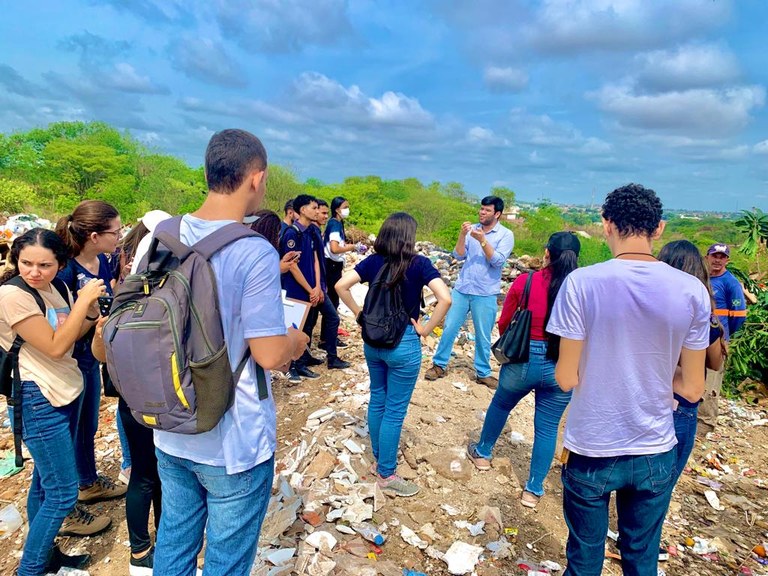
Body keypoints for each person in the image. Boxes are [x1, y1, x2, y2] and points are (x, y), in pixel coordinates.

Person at [150, 129, 308, 576]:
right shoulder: (253, 250)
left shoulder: (158, 237)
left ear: (207, 172)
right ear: (256, 178)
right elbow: (269, 354)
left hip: (169, 424)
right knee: (225, 560)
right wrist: (297, 342)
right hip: (231, 439)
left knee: (175, 543)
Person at [547, 184, 710, 576]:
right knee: (641, 558)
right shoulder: (692, 290)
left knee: (584, 560)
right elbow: (692, 388)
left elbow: (566, 378)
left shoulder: (582, 283)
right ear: (659, 228)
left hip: (592, 446)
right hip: (655, 449)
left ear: (606, 225)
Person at [0, 229, 106, 575]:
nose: (34, 271)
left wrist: (89, 311)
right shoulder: (12, 295)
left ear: (59, 264)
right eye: (26, 262)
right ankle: (30, 569)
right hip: (36, 397)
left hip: (65, 389)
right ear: (15, 260)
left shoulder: (57, 287)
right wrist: (82, 301)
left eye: (44, 264)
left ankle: (46, 555)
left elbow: (73, 334)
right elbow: (56, 346)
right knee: (62, 492)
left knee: (44, 483)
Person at [336, 212, 451, 497]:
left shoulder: (373, 262)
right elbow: (445, 298)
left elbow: (340, 286)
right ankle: (386, 473)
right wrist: (425, 330)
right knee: (395, 410)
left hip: (373, 340)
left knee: (378, 398)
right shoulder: (420, 264)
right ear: (409, 237)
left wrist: (359, 314)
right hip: (403, 343)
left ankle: (379, 454)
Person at [467, 231, 580, 509]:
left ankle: (482, 454)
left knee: (501, 404)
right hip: (562, 363)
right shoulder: (582, 289)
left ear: (547, 253)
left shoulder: (526, 281)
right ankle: (533, 489)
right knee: (547, 427)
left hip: (523, 358)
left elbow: (505, 322)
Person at [54, 200, 127, 536]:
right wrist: (90, 312)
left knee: (88, 424)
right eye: (116, 231)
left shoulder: (104, 261)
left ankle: (87, 481)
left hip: (91, 357)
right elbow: (61, 335)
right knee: (67, 432)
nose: (121, 236)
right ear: (95, 235)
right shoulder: (66, 271)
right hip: (69, 361)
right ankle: (66, 506)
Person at [425, 196, 514, 389]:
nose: (482, 213)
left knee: (482, 334)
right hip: (463, 288)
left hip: (486, 292)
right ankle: (439, 364)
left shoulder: (505, 235)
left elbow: (497, 262)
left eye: (487, 210)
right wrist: (462, 234)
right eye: (481, 209)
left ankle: (482, 372)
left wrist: (482, 241)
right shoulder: (472, 229)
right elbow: (458, 254)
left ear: (497, 214)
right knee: (449, 327)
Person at [658, 240, 725, 480]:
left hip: (642, 395)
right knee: (662, 484)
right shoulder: (703, 314)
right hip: (681, 405)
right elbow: (716, 363)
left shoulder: (646, 306)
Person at [280, 195, 348, 384]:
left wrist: (318, 286)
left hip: (315, 288)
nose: (318, 212)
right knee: (297, 327)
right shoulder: (292, 234)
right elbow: (292, 266)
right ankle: (293, 366)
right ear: (302, 210)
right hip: (298, 290)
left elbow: (317, 260)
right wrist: (310, 288)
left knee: (329, 318)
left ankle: (329, 358)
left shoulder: (311, 231)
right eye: (314, 208)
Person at [699, 243, 746, 433]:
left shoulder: (730, 282)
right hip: (698, 338)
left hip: (717, 340)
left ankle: (705, 423)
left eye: (722, 257)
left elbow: (739, 315)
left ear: (727, 260)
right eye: (714, 256)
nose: (717, 260)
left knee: (711, 381)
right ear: (707, 257)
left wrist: (725, 335)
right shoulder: (701, 279)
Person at [246, 209, 299, 274]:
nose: (278, 239)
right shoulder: (260, 253)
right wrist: (278, 269)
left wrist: (282, 261)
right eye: (277, 235)